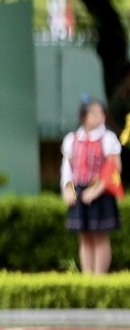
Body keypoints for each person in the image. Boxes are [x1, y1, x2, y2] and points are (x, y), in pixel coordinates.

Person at [62, 97, 122, 276]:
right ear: (83, 117)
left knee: (100, 237)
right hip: (80, 190)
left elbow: (114, 168)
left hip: (100, 193)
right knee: (85, 236)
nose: (99, 117)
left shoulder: (108, 138)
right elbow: (67, 168)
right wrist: (68, 190)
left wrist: (95, 191)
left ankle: (99, 279)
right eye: (93, 113)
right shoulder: (72, 139)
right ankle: (87, 279)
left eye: (101, 113)